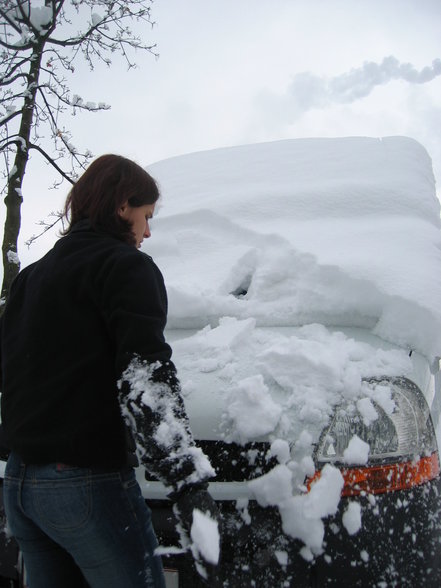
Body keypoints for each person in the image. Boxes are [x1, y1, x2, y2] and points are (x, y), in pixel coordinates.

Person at [0, 154, 221, 588]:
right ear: (123, 206)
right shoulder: (126, 267)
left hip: (20, 485)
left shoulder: (32, 278)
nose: (148, 231)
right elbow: (146, 377)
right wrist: (186, 482)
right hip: (84, 485)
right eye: (146, 215)